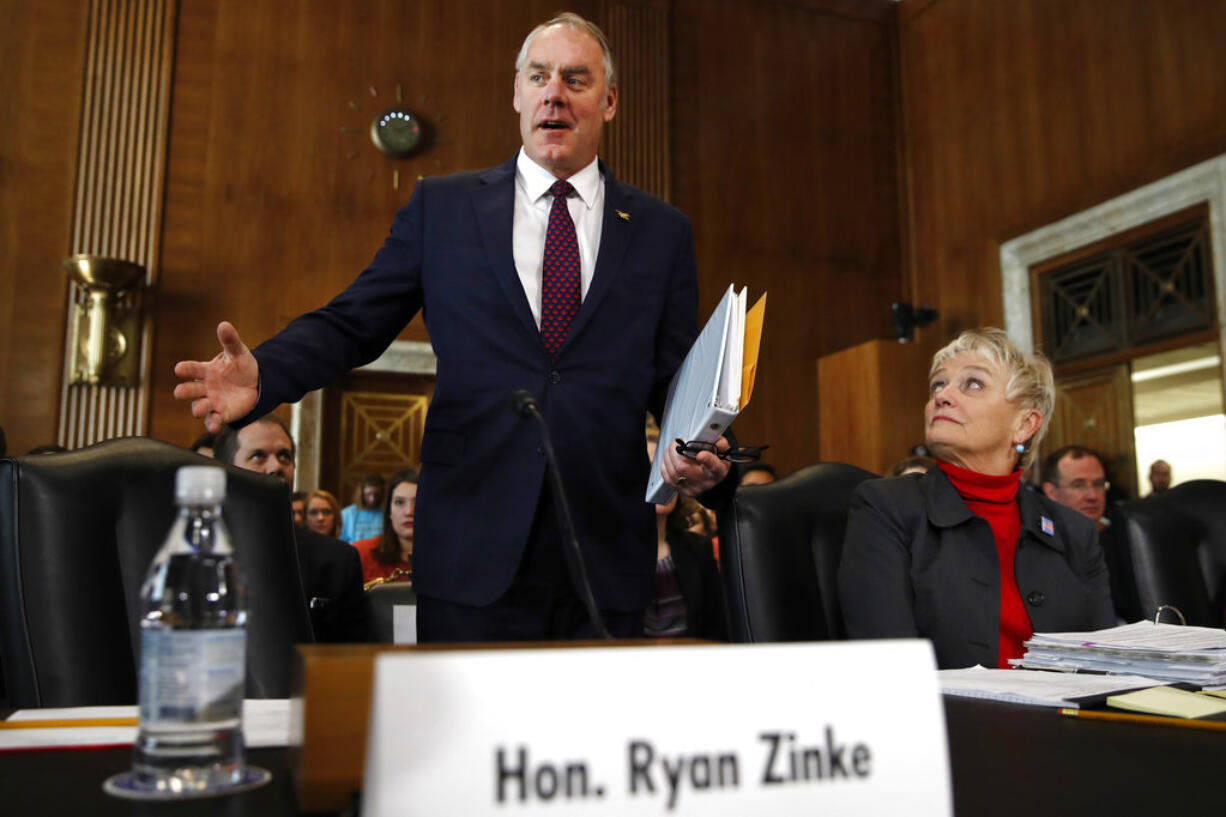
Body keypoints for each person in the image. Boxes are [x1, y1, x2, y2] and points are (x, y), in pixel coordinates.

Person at [172, 13, 731, 642]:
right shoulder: (444, 208)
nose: (555, 93)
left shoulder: (660, 231)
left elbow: (678, 375)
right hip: (472, 550)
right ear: (516, 93)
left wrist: (707, 447)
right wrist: (266, 373)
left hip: (605, 553)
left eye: (576, 79)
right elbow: (356, 320)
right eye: (539, 76)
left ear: (609, 101)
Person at [839, 328, 1114, 670]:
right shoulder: (885, 507)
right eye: (938, 385)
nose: (943, 396)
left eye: (972, 384)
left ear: (1024, 424)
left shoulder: (1074, 531)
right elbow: (889, 664)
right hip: (952, 720)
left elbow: (1105, 666)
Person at [213, 415, 373, 642]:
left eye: (284, 456)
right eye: (258, 456)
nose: (276, 466)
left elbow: (355, 658)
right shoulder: (195, 553)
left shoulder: (336, 560)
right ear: (226, 470)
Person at [644, 439, 727, 640]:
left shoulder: (698, 549)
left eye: (664, 468)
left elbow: (719, 630)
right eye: (647, 469)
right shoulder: (605, 555)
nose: (660, 479)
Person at [352, 468, 418, 585]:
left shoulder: (449, 557)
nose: (409, 511)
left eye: (418, 502)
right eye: (399, 502)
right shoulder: (362, 553)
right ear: (389, 511)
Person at [1040, 445, 1109, 529]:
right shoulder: (1037, 539)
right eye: (1078, 485)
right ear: (1051, 492)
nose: (1092, 496)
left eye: (1098, 484)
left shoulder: (1121, 536)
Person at [340, 473, 385, 543]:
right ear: (361, 494)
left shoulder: (386, 513)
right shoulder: (347, 514)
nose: (372, 499)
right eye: (368, 494)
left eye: (376, 495)